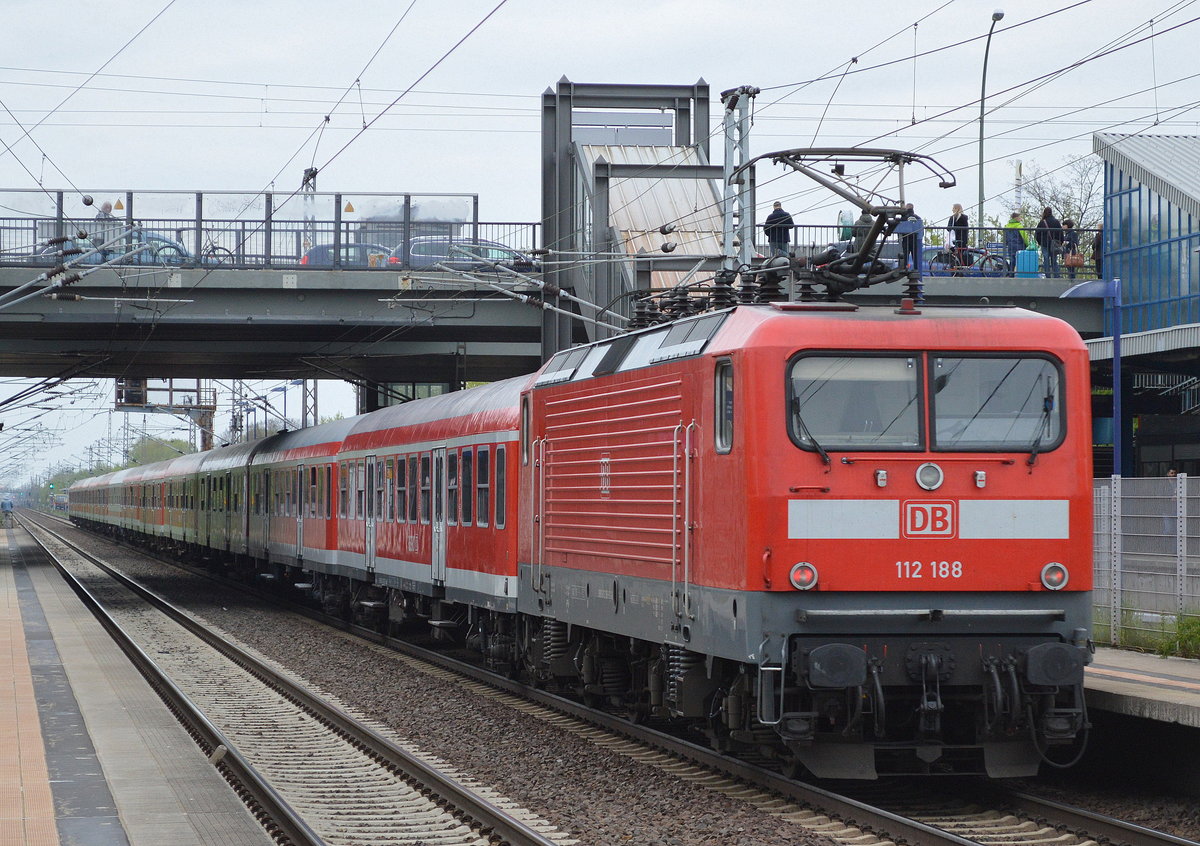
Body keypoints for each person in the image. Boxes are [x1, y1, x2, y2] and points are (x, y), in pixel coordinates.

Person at [1034, 207, 1064, 279]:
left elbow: (1037, 234)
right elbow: (1061, 233)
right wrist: (1060, 242)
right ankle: (1056, 275)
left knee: (1046, 259)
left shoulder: (1042, 222)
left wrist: (1040, 242)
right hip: (1054, 244)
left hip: (1044, 244)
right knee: (1054, 260)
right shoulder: (1056, 222)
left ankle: (1048, 275)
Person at [894, 203, 923, 270]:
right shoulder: (918, 218)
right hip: (914, 239)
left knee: (905, 255)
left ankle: (905, 268)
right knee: (915, 255)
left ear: (907, 208)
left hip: (906, 238)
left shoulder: (904, 218)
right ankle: (916, 269)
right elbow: (920, 228)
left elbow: (900, 228)